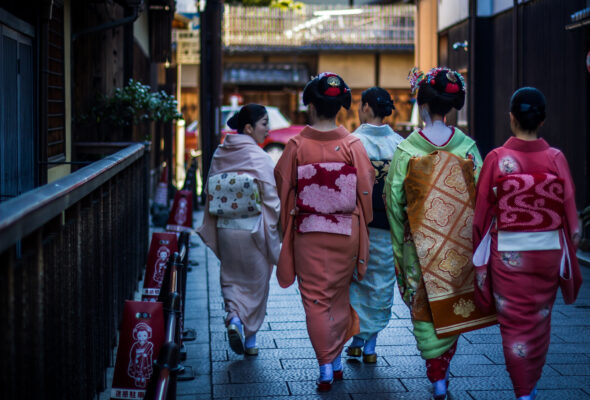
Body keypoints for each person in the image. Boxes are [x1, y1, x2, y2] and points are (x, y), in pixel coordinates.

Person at [385, 67, 491, 400]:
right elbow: (486, 199)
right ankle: (441, 373)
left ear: (423, 103)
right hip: (461, 247)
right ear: (452, 105)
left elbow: (392, 203)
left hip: (419, 245)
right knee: (454, 307)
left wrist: (400, 249)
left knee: (425, 312)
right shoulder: (469, 149)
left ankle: (437, 377)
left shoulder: (407, 150)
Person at [472, 87, 582, 400]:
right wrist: (570, 239)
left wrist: (477, 250)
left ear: (511, 118)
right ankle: (530, 383)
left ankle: (523, 391)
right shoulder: (555, 158)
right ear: (542, 120)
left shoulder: (497, 158)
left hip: (509, 254)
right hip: (547, 251)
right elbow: (570, 212)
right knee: (539, 319)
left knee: (514, 324)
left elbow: (482, 213)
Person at [274, 72, 374, 391]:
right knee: (340, 294)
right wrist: (362, 219)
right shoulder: (352, 145)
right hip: (346, 231)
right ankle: (336, 359)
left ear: (311, 106)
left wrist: (289, 217)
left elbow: (283, 188)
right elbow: (365, 190)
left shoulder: (296, 145)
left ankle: (325, 365)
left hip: (308, 230)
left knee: (316, 299)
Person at [197, 104, 281, 356]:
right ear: (249, 127)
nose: (268, 129)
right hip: (252, 229)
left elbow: (209, 191)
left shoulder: (221, 153)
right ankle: (251, 340)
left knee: (232, 279)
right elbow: (271, 198)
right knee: (256, 284)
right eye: (264, 123)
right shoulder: (259, 157)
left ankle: (234, 318)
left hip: (225, 228)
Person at [347, 87, 403, 363]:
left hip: (358, 225)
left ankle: (356, 340)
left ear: (367, 107)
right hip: (390, 225)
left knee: (357, 281)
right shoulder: (399, 144)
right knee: (381, 283)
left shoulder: (352, 142)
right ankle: (369, 347)